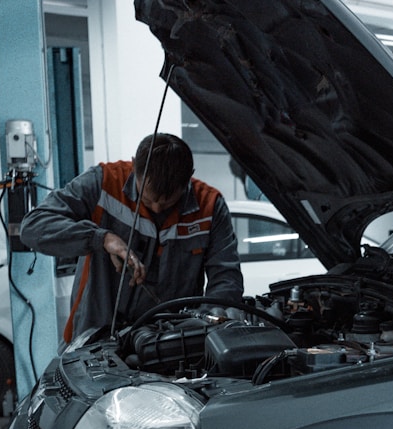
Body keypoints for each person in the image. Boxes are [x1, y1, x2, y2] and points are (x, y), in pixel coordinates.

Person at [20, 133, 244, 343]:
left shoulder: (209, 207)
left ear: (189, 176)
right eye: (148, 199)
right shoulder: (104, 183)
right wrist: (101, 238)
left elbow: (226, 277)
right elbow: (33, 226)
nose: (157, 208)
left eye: (168, 202)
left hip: (173, 343)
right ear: (135, 165)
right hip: (95, 341)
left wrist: (210, 319)